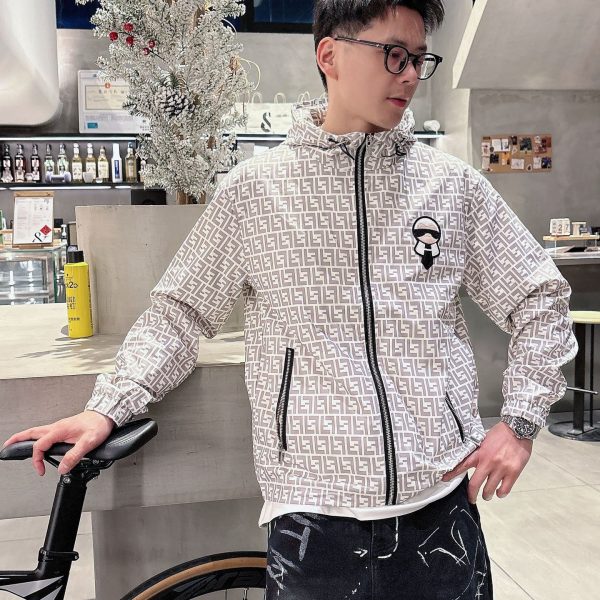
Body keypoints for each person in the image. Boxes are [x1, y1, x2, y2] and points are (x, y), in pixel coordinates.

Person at [4, 1, 578, 598]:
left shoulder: (452, 186)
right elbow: (179, 312)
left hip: (441, 504)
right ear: (330, 55)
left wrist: (519, 422)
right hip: (311, 516)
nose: (410, 74)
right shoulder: (255, 192)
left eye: (419, 59)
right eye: (394, 55)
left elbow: (539, 295)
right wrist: (108, 407)